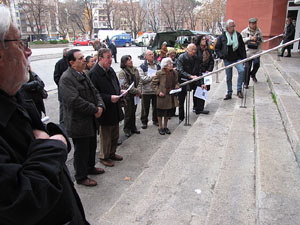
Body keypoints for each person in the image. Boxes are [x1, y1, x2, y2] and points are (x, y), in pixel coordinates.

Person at [0, 5, 90, 224]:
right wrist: (54, 145)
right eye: (21, 43)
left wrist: (51, 141)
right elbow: (21, 203)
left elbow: (46, 133)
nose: (28, 51)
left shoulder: (16, 95)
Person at [59, 49, 106, 187]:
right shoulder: (66, 78)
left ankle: (90, 167)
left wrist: (100, 106)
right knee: (81, 150)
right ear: (72, 63)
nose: (84, 60)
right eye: (80, 58)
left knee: (92, 145)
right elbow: (74, 101)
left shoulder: (83, 74)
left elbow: (95, 92)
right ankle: (81, 176)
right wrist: (94, 109)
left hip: (90, 119)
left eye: (83, 57)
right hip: (78, 121)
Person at [89, 48, 125, 168]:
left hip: (114, 107)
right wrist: (109, 97)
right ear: (100, 59)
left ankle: (112, 153)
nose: (111, 59)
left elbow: (115, 84)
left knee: (115, 134)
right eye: (108, 57)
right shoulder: (94, 73)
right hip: (104, 109)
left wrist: (120, 91)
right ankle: (104, 156)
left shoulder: (110, 70)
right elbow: (94, 94)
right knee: (106, 136)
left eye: (111, 57)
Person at [215, 19, 246, 100]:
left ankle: (239, 90)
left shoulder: (238, 35)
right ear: (227, 27)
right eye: (231, 26)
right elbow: (217, 48)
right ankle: (229, 92)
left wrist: (244, 59)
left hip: (237, 58)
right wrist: (221, 55)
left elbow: (242, 47)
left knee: (241, 70)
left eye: (233, 26)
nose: (233, 28)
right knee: (229, 77)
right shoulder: (222, 37)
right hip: (227, 59)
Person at [151, 57, 180, 135]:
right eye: (169, 63)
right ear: (165, 66)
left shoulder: (174, 72)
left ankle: (165, 126)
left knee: (168, 113)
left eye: (171, 63)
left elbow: (177, 82)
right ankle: (160, 127)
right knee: (160, 112)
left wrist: (177, 86)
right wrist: (158, 92)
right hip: (162, 96)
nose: (171, 65)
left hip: (170, 95)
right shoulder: (160, 73)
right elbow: (153, 84)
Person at [119, 55, 141, 137]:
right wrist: (136, 91)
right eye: (128, 60)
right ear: (124, 62)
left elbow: (139, 80)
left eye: (131, 59)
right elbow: (124, 85)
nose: (131, 61)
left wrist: (138, 90)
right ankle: (127, 129)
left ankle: (133, 127)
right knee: (128, 113)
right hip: (128, 96)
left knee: (133, 112)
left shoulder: (135, 69)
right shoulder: (122, 72)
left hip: (135, 95)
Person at [177, 43, 199, 123]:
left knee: (198, 92)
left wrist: (199, 80)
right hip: (183, 80)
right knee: (181, 100)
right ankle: (181, 117)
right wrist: (189, 76)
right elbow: (179, 70)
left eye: (195, 50)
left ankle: (196, 108)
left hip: (193, 79)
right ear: (188, 50)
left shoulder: (196, 58)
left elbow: (198, 69)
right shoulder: (181, 57)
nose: (194, 51)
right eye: (192, 50)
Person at [138, 50, 160, 129]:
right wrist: (152, 77)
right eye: (150, 54)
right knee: (145, 108)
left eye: (152, 54)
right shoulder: (142, 66)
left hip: (155, 90)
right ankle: (144, 122)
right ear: (145, 57)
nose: (152, 56)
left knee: (156, 106)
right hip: (146, 90)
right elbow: (142, 79)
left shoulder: (157, 65)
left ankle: (155, 120)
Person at [194, 35, 214, 114]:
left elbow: (211, 61)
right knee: (198, 88)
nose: (204, 41)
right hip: (198, 72)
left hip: (206, 72)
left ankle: (200, 107)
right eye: (202, 39)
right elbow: (197, 62)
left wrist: (209, 70)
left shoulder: (208, 50)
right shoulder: (197, 50)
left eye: (205, 39)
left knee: (205, 89)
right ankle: (197, 107)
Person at [241, 17, 263, 87]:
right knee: (247, 67)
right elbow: (241, 40)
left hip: (257, 51)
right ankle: (246, 83)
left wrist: (258, 40)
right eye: (252, 24)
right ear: (249, 24)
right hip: (248, 52)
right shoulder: (245, 31)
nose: (254, 25)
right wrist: (250, 38)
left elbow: (262, 40)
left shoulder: (259, 31)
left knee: (257, 64)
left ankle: (252, 74)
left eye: (255, 23)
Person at [54, 47, 69, 126]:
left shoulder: (70, 62)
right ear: (65, 54)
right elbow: (56, 77)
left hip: (69, 90)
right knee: (63, 108)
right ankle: (62, 125)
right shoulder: (60, 63)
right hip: (62, 90)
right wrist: (62, 85)